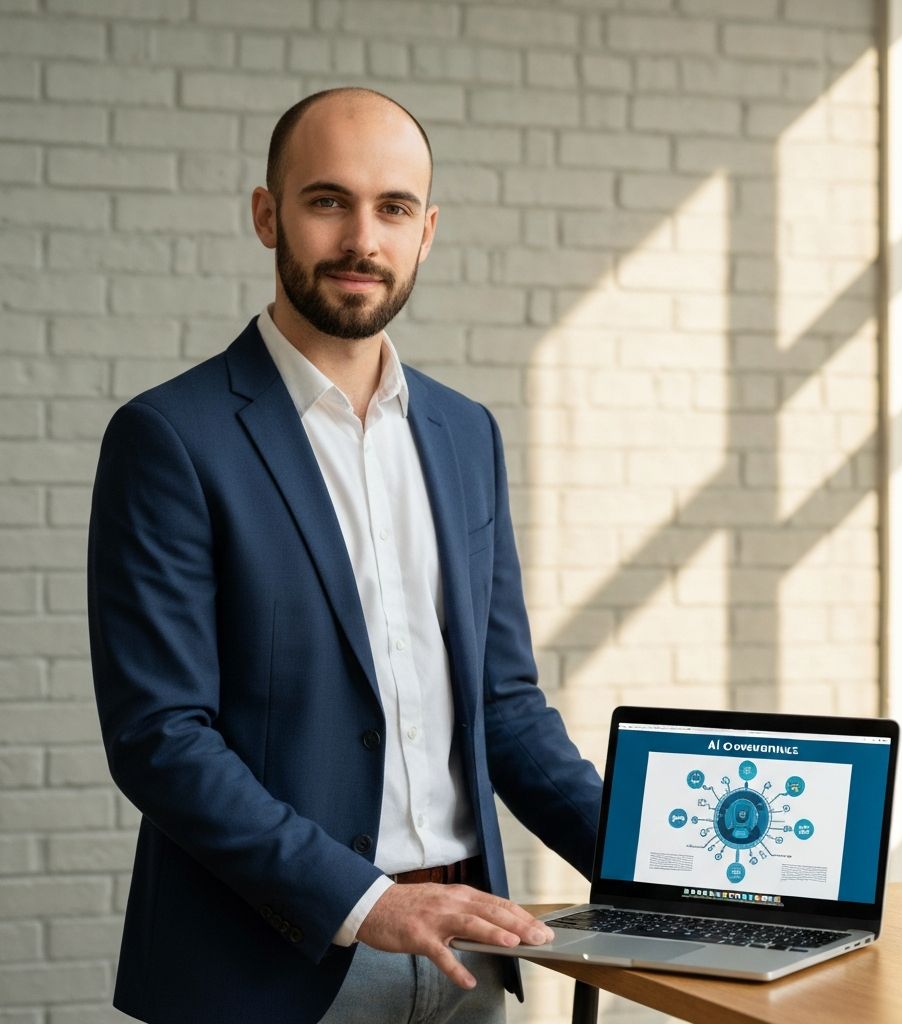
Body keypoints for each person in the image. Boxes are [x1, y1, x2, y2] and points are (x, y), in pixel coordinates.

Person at [87, 87, 604, 1024]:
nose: (362, 239)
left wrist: (664, 872)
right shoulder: (171, 437)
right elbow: (160, 737)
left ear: (426, 232)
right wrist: (367, 904)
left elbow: (504, 708)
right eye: (328, 201)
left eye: (393, 208)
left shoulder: (465, 434)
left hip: (468, 951)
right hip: (266, 968)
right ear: (267, 215)